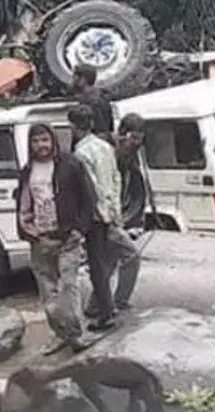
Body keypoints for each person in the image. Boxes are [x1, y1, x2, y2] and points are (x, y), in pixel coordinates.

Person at [16, 123, 95, 354]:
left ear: (53, 141)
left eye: (45, 140)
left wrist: (80, 230)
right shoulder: (27, 172)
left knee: (68, 288)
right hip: (40, 239)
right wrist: (25, 231)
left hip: (68, 238)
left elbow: (88, 198)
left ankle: (77, 335)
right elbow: (22, 204)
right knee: (48, 294)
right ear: (30, 144)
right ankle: (61, 334)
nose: (41, 145)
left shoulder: (70, 165)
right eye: (36, 141)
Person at [69, 105, 135, 331]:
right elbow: (116, 180)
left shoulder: (81, 153)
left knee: (98, 266)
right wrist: (114, 212)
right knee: (105, 262)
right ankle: (100, 307)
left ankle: (106, 312)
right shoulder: (106, 147)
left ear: (74, 127)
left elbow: (92, 188)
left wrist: (99, 215)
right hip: (110, 212)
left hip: (96, 217)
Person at [109, 114, 147, 311]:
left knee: (108, 264)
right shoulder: (108, 155)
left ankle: (97, 306)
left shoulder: (129, 158)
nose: (137, 144)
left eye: (140, 139)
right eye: (134, 139)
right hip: (106, 217)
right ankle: (117, 302)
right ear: (122, 135)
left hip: (116, 218)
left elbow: (135, 190)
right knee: (130, 258)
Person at [70, 65, 113, 139]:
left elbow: (102, 130)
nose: (72, 80)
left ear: (83, 79)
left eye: (75, 77)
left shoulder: (95, 102)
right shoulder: (95, 98)